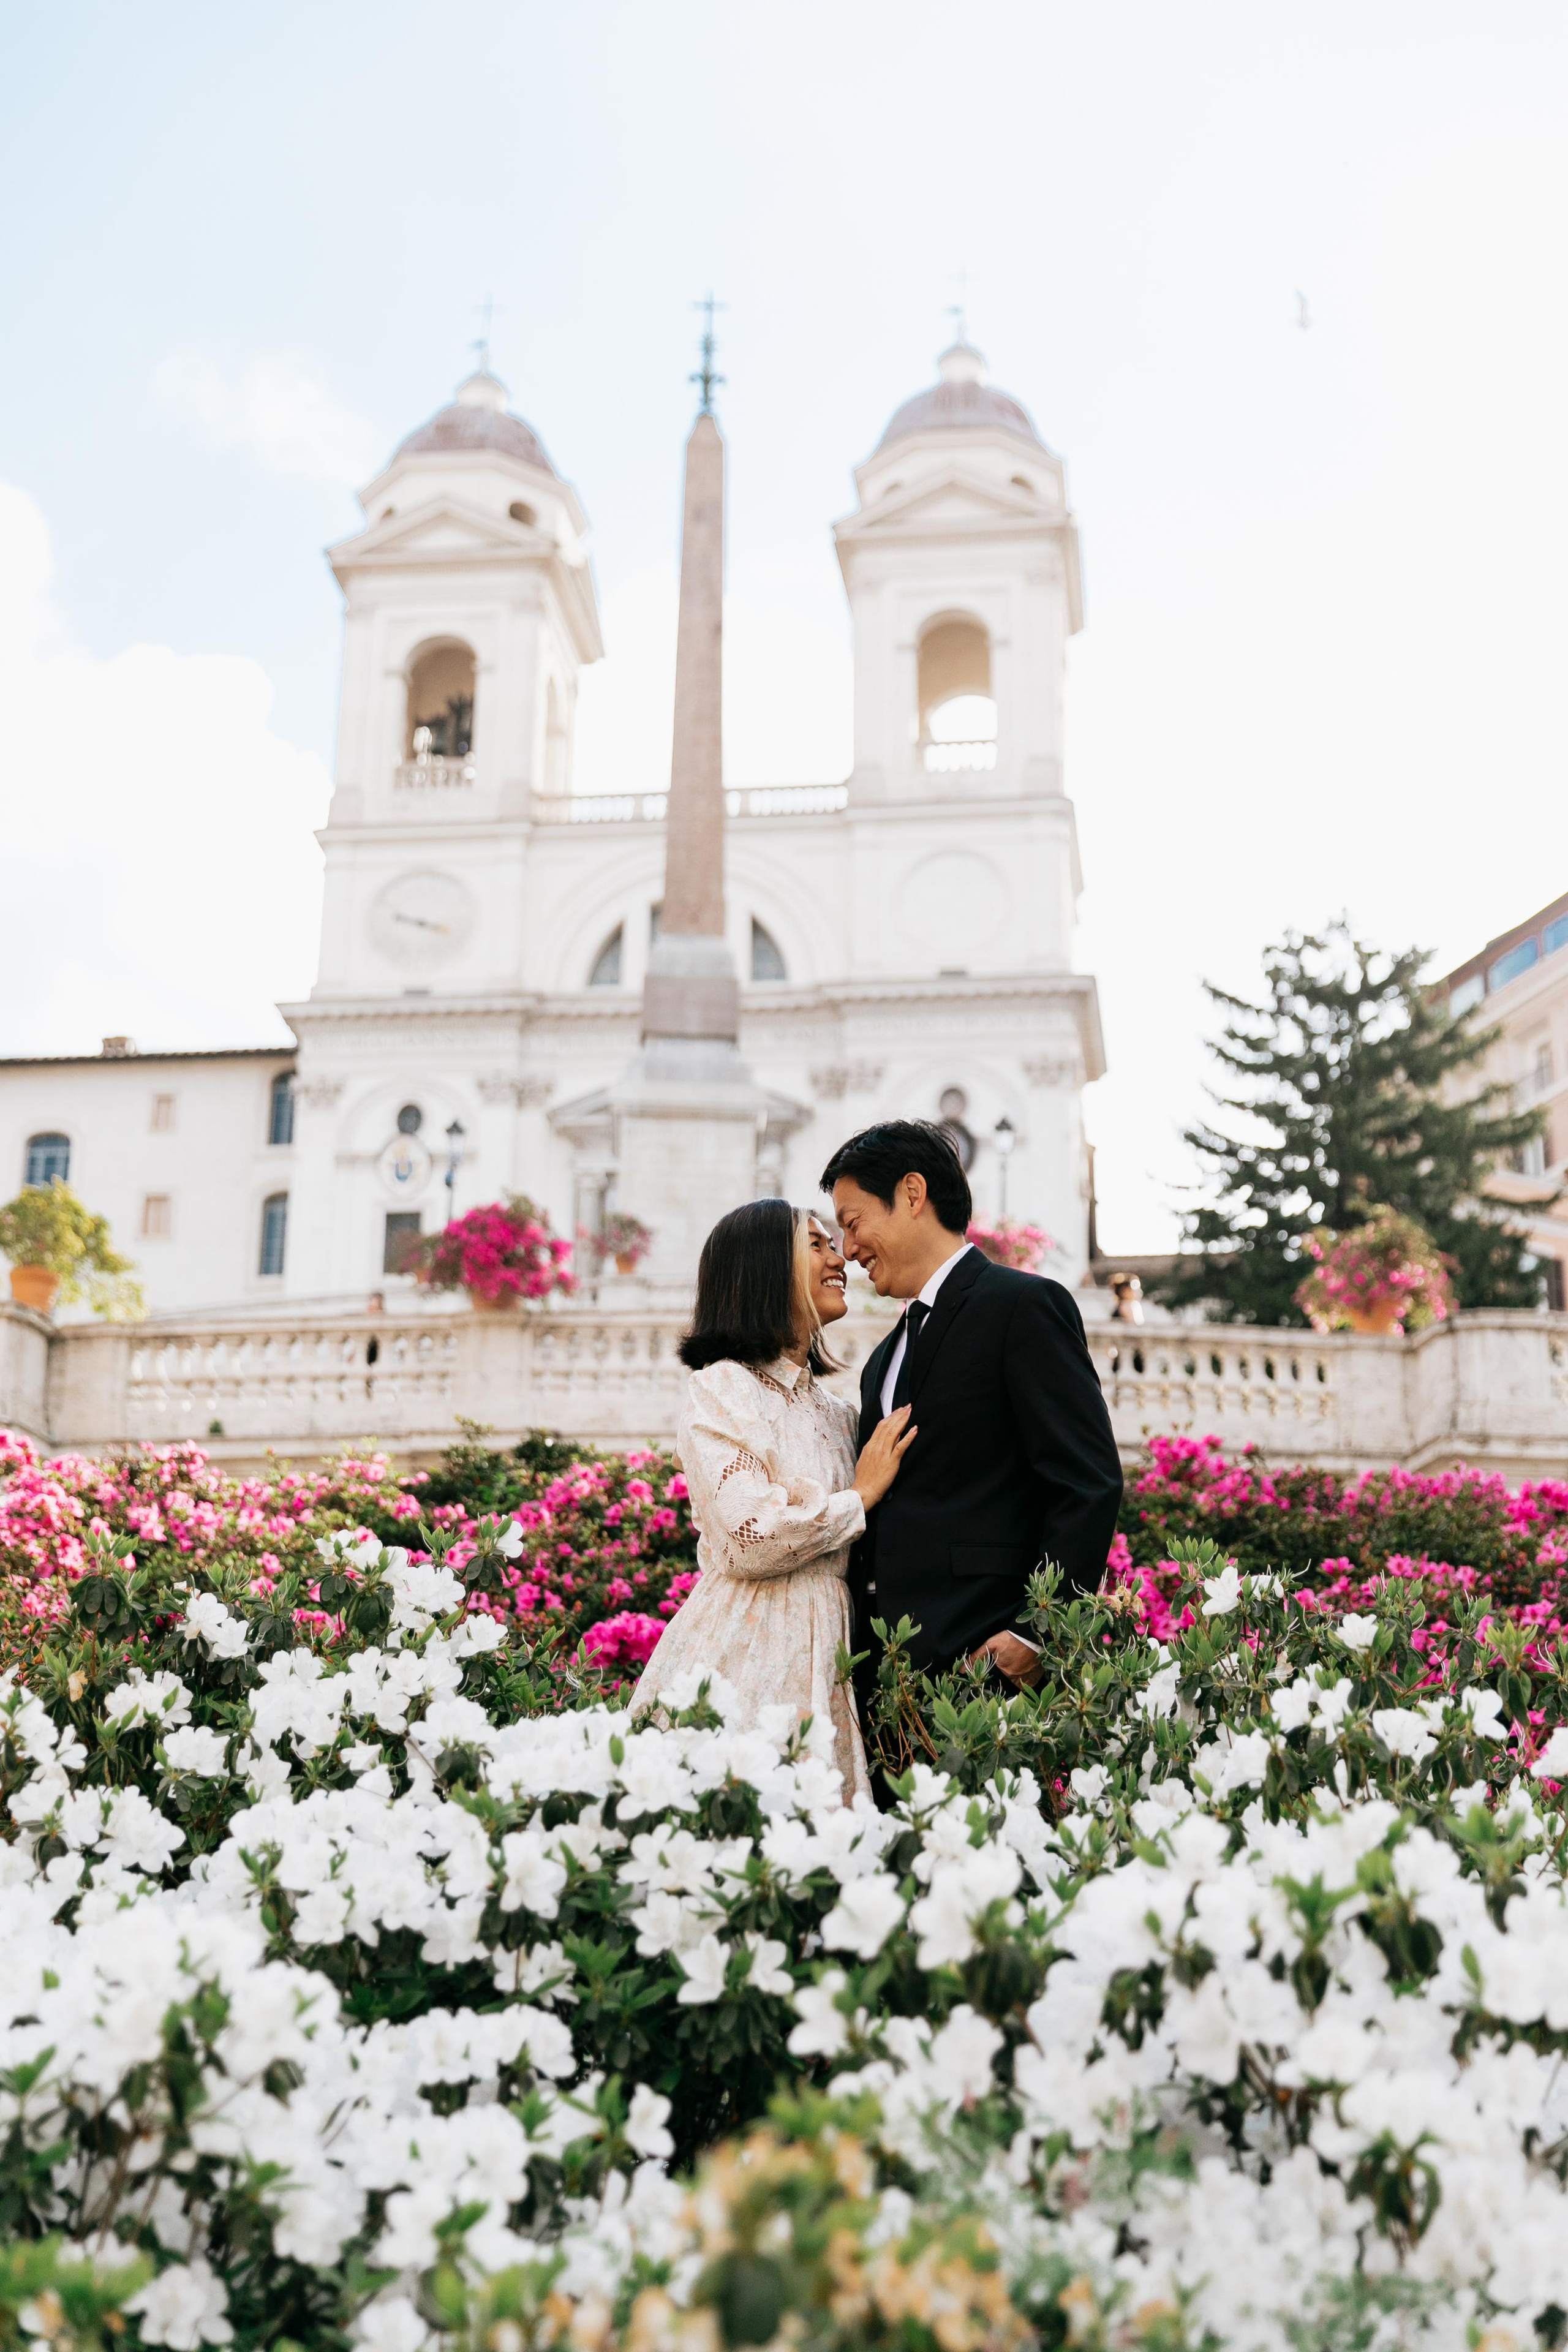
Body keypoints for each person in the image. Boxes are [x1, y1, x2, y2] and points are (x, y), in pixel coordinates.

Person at [628, 1197, 916, 1803]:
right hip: (745, 1647)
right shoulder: (722, 1387)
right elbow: (750, 1536)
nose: (839, 1257)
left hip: (830, 1647)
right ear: (761, 1270)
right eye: (815, 1245)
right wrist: (858, 1497)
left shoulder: (837, 1413)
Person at [821, 1120, 1123, 1694]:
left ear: (913, 1195)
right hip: (886, 1681)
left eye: (853, 1223)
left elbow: (1088, 1481)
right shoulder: (883, 1359)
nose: (849, 1249)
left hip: (986, 1672)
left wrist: (1038, 1633)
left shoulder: (1024, 1306)